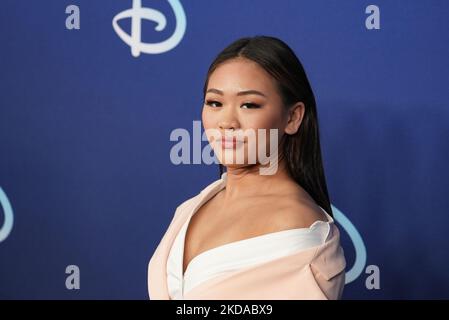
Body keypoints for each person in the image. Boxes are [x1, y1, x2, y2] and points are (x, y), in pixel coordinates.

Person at [148, 35, 346, 300]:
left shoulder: (294, 222)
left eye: (249, 104)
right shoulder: (194, 205)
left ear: (292, 117)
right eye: (215, 103)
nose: (227, 122)